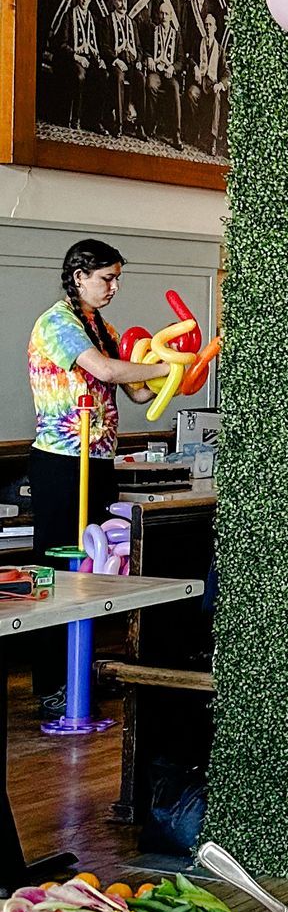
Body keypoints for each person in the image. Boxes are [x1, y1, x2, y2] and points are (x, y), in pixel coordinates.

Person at [24, 242, 153, 712]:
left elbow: (135, 392)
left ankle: (82, 671)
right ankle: (51, 685)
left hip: (97, 460)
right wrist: (156, 366)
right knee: (57, 569)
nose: (114, 288)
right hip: (61, 461)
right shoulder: (58, 322)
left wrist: (173, 369)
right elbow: (103, 369)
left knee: (94, 570)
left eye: (118, 278)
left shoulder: (105, 328)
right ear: (79, 277)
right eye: (107, 279)